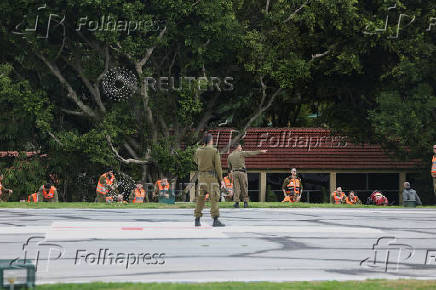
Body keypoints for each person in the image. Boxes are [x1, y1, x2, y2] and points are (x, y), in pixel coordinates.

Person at [194, 133, 225, 227]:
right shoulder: (214, 150)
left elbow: (195, 160)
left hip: (201, 177)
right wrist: (221, 179)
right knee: (214, 198)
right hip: (211, 177)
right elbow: (218, 166)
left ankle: (197, 219)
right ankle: (215, 219)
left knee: (200, 198)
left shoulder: (198, 150)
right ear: (211, 140)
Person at [227, 144, 267, 208]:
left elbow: (229, 167)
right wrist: (260, 151)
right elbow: (251, 153)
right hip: (242, 172)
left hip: (234, 173)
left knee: (236, 188)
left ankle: (236, 203)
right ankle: (245, 202)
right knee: (244, 187)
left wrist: (230, 173)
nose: (241, 148)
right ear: (237, 147)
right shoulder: (241, 153)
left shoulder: (230, 156)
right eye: (240, 146)